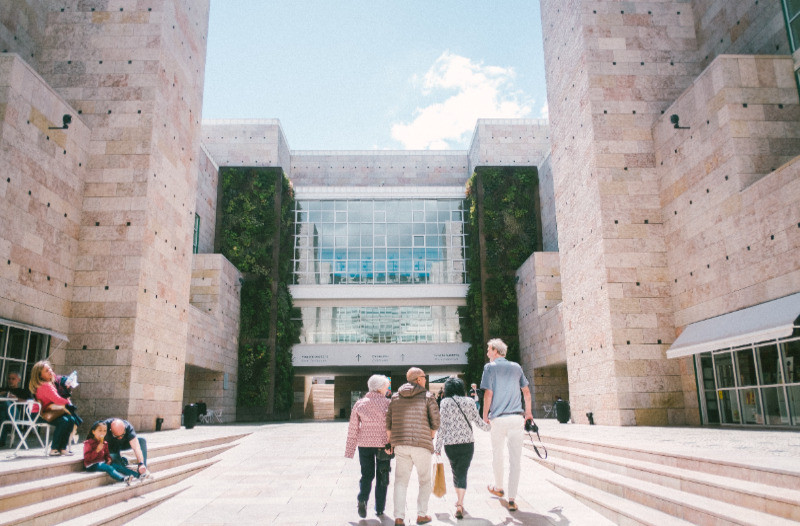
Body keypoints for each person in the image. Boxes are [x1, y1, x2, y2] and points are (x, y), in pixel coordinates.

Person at [480, 338, 532, 512]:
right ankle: (512, 499)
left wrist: (485, 415)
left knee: (497, 454)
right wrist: (529, 413)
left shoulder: (489, 368)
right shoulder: (516, 367)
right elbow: (526, 391)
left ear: (495, 350)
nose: (487, 353)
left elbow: (488, 394)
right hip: (517, 418)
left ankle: (499, 487)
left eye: (488, 350)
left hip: (499, 419)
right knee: (515, 460)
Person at [386, 367, 440, 526]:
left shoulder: (395, 397)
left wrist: (390, 442)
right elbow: (436, 422)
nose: (425, 379)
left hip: (401, 444)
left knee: (401, 481)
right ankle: (422, 514)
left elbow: (388, 423)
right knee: (424, 480)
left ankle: (399, 517)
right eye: (424, 377)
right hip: (421, 444)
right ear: (418, 380)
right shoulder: (427, 396)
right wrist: (430, 436)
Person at [434, 377, 490, 519]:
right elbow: (478, 422)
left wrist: (437, 446)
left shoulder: (445, 403)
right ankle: (460, 503)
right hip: (467, 443)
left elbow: (442, 426)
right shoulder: (470, 402)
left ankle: (459, 503)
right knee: (462, 472)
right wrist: (491, 427)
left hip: (450, 444)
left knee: (455, 472)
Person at [344, 374, 392, 518]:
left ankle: (362, 499)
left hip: (364, 444)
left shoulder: (359, 403)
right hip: (384, 445)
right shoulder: (388, 403)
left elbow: (353, 427)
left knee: (367, 474)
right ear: (380, 388)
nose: (387, 388)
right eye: (386, 386)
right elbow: (393, 426)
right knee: (383, 476)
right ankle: (379, 508)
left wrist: (350, 450)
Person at [29, 361, 81, 456]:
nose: (50, 371)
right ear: (40, 375)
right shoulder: (45, 386)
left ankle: (62, 448)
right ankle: (54, 448)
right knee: (64, 421)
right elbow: (57, 400)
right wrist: (68, 401)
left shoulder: (50, 383)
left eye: (49, 369)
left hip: (48, 411)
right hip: (39, 414)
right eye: (46, 370)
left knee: (70, 419)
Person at [83, 420, 139, 485]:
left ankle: (138, 475)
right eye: (100, 430)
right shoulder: (88, 443)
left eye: (104, 431)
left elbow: (106, 454)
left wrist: (108, 459)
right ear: (93, 432)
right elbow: (87, 458)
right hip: (91, 465)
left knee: (117, 466)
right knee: (109, 468)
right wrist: (97, 450)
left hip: (102, 463)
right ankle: (124, 479)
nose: (102, 433)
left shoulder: (105, 443)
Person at [1, 371, 29, 446]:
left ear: (19, 380)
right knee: (2, 414)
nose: (10, 380)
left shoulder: (22, 391)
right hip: (4, 415)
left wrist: (16, 399)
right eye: (9, 379)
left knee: (6, 402)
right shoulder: (3, 390)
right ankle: (1, 441)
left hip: (15, 415)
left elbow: (30, 402)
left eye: (13, 379)